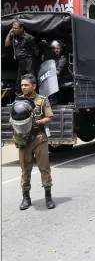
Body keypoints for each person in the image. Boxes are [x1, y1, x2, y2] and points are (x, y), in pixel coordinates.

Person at [10, 74, 55, 210]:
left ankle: (48, 197)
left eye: (26, 85)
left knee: (44, 168)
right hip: (24, 140)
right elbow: (12, 118)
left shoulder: (42, 100)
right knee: (25, 170)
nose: (23, 87)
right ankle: (26, 198)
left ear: (34, 86)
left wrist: (37, 121)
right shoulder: (17, 102)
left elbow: (49, 117)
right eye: (22, 85)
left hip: (39, 138)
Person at [4, 21, 38, 93]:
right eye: (13, 28)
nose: (14, 30)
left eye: (16, 28)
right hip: (21, 61)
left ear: (21, 28)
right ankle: (20, 95)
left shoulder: (29, 38)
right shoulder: (15, 37)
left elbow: (36, 51)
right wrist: (10, 33)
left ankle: (32, 95)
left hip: (29, 60)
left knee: (30, 79)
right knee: (20, 80)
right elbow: (7, 44)